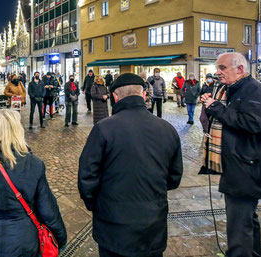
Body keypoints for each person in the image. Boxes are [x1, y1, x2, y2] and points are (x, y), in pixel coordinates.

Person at [78, 73, 183, 257]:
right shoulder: (167, 129)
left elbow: (87, 177)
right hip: (152, 224)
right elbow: (174, 178)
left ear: (115, 97)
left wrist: (96, 205)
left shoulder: (103, 129)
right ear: (143, 96)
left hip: (113, 224)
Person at [0, 109, 67, 256]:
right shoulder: (34, 164)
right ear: (16, 130)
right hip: (23, 242)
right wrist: (61, 239)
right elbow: (48, 211)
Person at [201, 52, 261, 257]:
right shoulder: (231, 88)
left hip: (246, 167)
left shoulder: (254, 90)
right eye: (217, 68)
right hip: (240, 165)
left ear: (240, 69)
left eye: (222, 68)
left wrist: (217, 108)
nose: (217, 72)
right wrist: (211, 106)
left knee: (238, 225)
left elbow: (253, 123)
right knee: (246, 219)